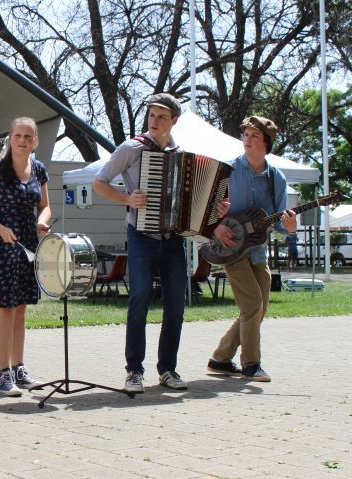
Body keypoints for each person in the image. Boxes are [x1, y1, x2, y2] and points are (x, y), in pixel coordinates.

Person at [93, 93, 210, 393]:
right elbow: (99, 182)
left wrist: (212, 209)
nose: (155, 121)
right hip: (140, 235)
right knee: (140, 297)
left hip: (172, 239)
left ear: (174, 121)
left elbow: (191, 202)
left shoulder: (182, 154)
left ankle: (167, 369)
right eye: (152, 115)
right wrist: (127, 199)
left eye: (161, 116)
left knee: (176, 305)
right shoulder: (131, 148)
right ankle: (134, 371)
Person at [207, 116, 296, 382]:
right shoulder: (228, 170)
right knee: (252, 305)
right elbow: (207, 209)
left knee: (257, 308)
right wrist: (216, 227)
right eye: (245, 132)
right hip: (230, 248)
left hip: (258, 250)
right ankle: (251, 364)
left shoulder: (276, 178)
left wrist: (290, 228)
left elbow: (281, 223)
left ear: (266, 143)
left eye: (254, 135)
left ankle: (220, 359)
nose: (247, 137)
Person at [0, 117, 51, 396]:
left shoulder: (39, 169)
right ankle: (3, 374)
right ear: (10, 138)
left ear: (35, 141)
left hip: (27, 243)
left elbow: (45, 207)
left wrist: (42, 222)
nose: (22, 141)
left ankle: (19, 369)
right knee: (5, 309)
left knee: (20, 310)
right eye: (18, 135)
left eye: (28, 137)